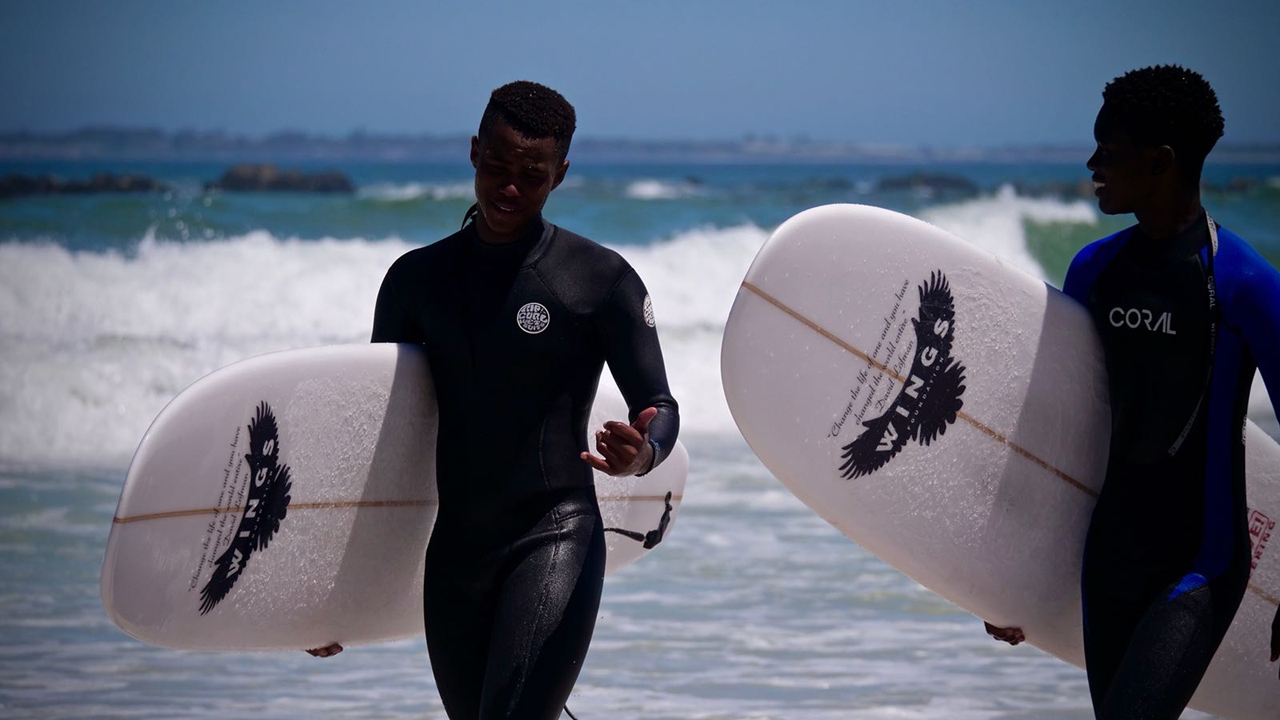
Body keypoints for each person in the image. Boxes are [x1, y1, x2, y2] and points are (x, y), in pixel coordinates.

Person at [307, 81, 680, 720]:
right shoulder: (415, 283)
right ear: (474, 151)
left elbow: (659, 404)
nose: (510, 186)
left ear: (560, 174)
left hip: (555, 533)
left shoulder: (600, 281)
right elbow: (383, 449)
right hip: (454, 556)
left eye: (531, 175)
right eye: (498, 165)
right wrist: (340, 594)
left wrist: (641, 456)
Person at [984, 65, 1280, 717]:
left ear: (1160, 162)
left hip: (1199, 565)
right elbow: (1057, 430)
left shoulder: (1244, 284)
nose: (1092, 164)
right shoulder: (1094, 270)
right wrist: (1009, 581)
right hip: (1108, 557)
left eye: (1109, 152)